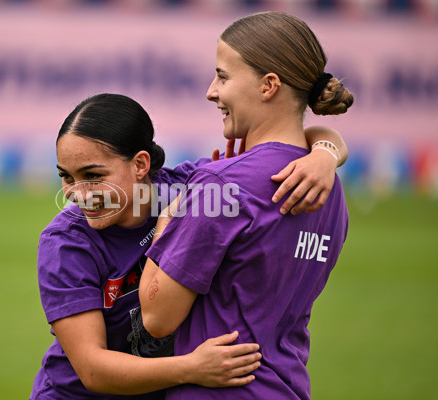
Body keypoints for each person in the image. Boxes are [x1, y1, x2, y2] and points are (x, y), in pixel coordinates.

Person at [31, 92, 348, 399]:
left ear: (141, 164)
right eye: (67, 177)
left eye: (92, 175)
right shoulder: (66, 243)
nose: (78, 193)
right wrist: (192, 368)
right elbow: (93, 370)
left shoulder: (193, 187)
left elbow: (299, 138)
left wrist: (325, 155)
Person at [139, 11, 353, 400]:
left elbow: (156, 317)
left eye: (222, 77)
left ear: (269, 85)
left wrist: (169, 220)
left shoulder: (221, 184)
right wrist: (327, 148)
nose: (211, 91)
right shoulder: (330, 190)